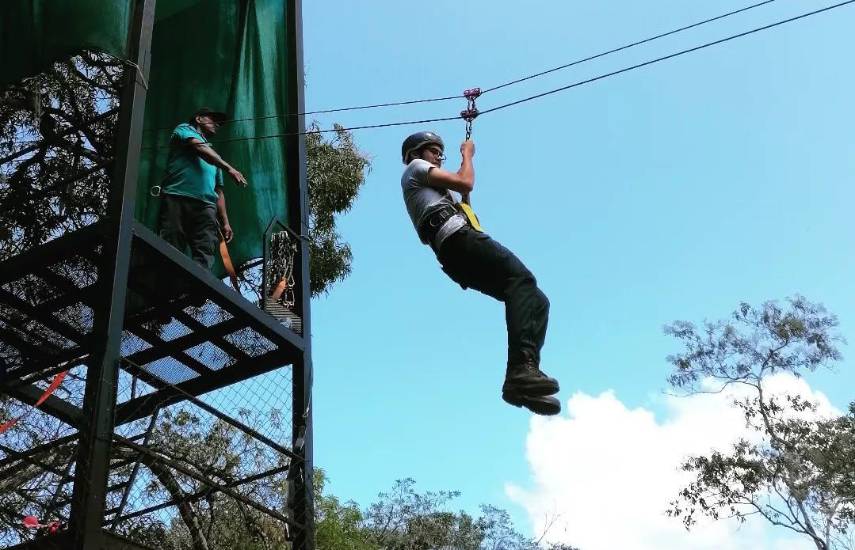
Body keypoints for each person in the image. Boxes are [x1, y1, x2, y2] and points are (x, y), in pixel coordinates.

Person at [400, 131, 561, 416]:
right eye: (433, 150)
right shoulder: (415, 169)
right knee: (522, 280)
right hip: (457, 241)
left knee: (535, 299)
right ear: (415, 153)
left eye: (441, 152)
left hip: (457, 251)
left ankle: (522, 380)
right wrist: (467, 155)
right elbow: (467, 180)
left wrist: (463, 190)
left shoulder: (434, 190)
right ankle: (521, 370)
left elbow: (465, 196)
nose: (438, 156)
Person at [157, 107, 247, 270]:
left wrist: (225, 222)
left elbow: (218, 191)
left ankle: (195, 291)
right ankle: (168, 287)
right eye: (213, 120)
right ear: (198, 119)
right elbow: (198, 147)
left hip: (206, 206)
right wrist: (229, 168)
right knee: (171, 245)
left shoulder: (215, 157)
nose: (217, 125)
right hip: (177, 197)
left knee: (205, 251)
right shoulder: (184, 129)